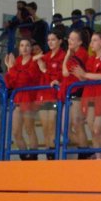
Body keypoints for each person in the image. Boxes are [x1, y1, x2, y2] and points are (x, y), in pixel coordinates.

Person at [4, 38, 43, 160]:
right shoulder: (17, 61)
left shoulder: (34, 61)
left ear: (31, 48)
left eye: (27, 45)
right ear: (19, 48)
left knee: (29, 128)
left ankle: (33, 157)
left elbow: (25, 79)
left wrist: (12, 70)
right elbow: (10, 83)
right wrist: (9, 68)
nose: (24, 48)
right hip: (17, 98)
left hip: (29, 98)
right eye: (22, 45)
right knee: (16, 132)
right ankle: (24, 157)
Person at [36, 30, 66, 158]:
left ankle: (54, 157)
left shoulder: (63, 56)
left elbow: (58, 78)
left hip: (55, 96)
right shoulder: (45, 56)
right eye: (48, 40)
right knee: (45, 128)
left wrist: (44, 70)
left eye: (53, 39)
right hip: (43, 96)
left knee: (52, 126)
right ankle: (49, 156)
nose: (50, 42)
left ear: (60, 41)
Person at [62, 29, 92, 157]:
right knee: (65, 129)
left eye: (73, 39)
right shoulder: (75, 54)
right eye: (69, 38)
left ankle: (84, 153)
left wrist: (66, 57)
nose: (69, 41)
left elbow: (65, 72)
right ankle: (86, 151)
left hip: (78, 94)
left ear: (80, 42)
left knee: (77, 124)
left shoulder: (81, 54)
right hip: (70, 94)